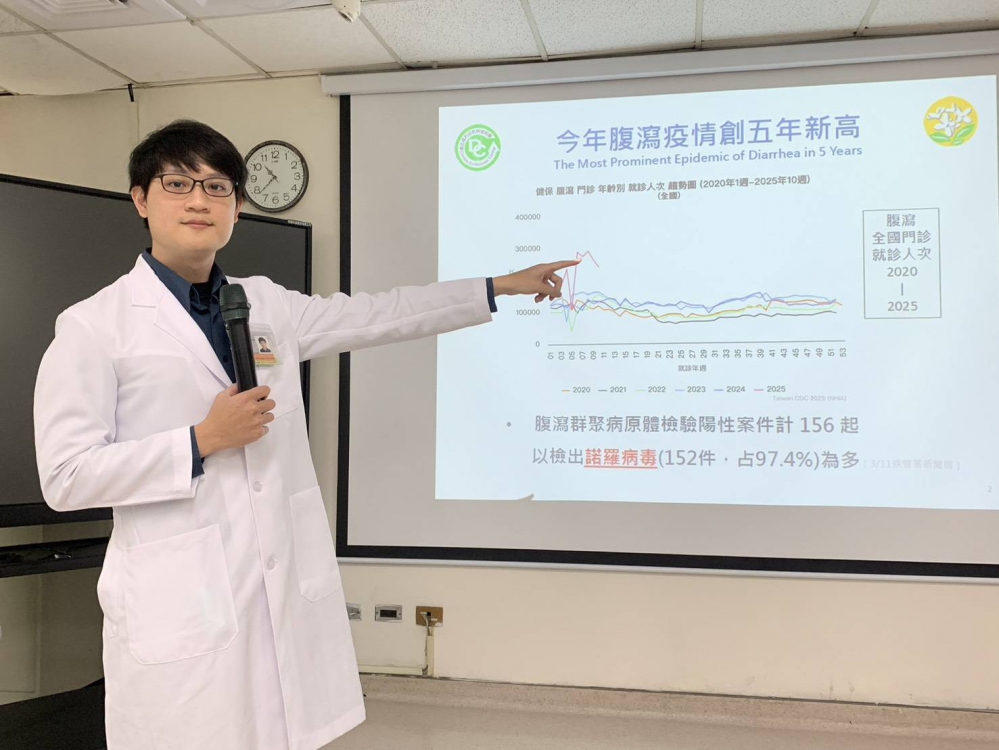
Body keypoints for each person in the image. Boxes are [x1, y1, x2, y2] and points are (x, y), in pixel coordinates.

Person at [33, 119, 576, 750]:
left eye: (217, 186)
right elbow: (66, 478)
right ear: (140, 200)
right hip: (183, 597)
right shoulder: (94, 326)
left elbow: (381, 314)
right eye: (178, 184)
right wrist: (200, 440)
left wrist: (499, 286)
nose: (199, 200)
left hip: (278, 584)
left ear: (237, 206)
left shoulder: (265, 303)